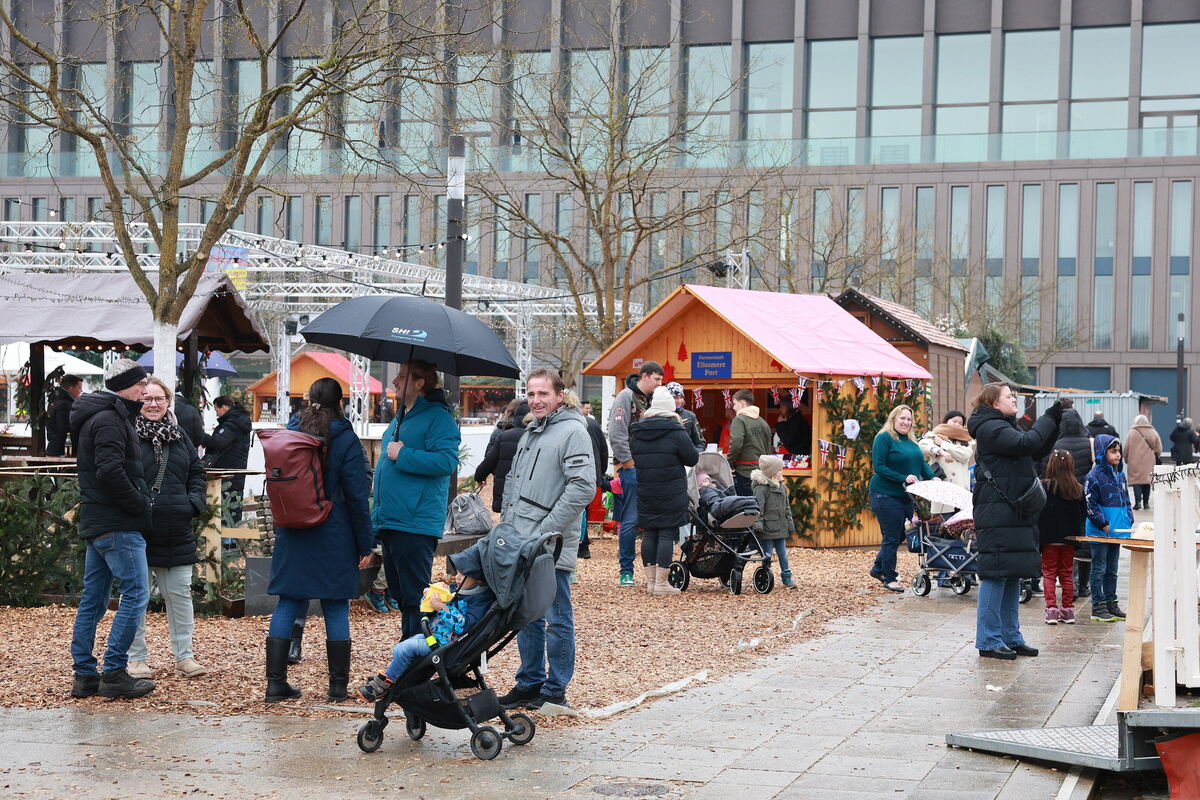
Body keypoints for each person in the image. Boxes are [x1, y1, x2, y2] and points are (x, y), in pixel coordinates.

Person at [265, 378, 374, 702]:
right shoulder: (346, 439)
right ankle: (337, 687)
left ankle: (275, 683)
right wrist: (365, 543)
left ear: (309, 398)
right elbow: (357, 496)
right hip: (334, 531)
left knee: (288, 602)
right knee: (336, 606)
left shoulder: (292, 432)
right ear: (341, 403)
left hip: (294, 529)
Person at [495, 369, 595, 711]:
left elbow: (583, 486)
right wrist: (507, 528)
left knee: (556, 616)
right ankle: (529, 683)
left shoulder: (572, 431)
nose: (535, 400)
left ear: (560, 395)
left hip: (549, 545)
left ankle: (555, 690)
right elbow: (513, 483)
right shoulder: (530, 432)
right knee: (527, 615)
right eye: (531, 393)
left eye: (543, 394)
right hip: (522, 541)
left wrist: (546, 530)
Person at [68, 357, 155, 700]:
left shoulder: (104, 414)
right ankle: (115, 672)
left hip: (100, 521)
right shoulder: (109, 419)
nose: (145, 391)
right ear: (124, 388)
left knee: (94, 599)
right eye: (140, 385)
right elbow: (110, 471)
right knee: (135, 593)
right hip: (117, 522)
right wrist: (140, 505)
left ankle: (85, 675)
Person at [969, 383, 1065, 660]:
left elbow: (1034, 451)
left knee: (1011, 574)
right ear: (994, 402)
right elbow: (1028, 443)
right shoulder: (990, 427)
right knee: (995, 575)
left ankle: (1011, 636)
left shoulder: (1003, 425)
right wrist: (1048, 417)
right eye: (1009, 396)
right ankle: (988, 640)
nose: (1014, 400)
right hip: (997, 511)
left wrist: (1054, 421)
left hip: (1011, 510)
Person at [126, 377, 208, 680]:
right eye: (146, 399)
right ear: (138, 401)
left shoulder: (180, 436)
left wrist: (193, 503)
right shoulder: (128, 435)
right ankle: (136, 659)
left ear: (168, 401)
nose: (153, 404)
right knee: (136, 597)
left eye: (159, 399)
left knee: (180, 596)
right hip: (139, 530)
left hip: (177, 529)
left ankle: (184, 656)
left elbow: (197, 473)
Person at [373, 359, 461, 640]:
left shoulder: (438, 417)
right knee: (401, 595)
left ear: (420, 383)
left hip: (414, 522)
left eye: (401, 376)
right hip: (392, 520)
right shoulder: (403, 416)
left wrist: (404, 454)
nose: (394, 382)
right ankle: (409, 653)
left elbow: (446, 461)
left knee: (414, 596)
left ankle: (417, 656)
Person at [357, 575, 495, 701]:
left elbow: (464, 626)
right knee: (403, 648)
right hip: (433, 638)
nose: (457, 577)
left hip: (446, 645)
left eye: (462, 574)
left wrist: (442, 608)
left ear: (477, 579)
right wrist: (428, 598)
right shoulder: (459, 590)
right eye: (457, 572)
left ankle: (385, 683)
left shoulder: (478, 601)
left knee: (405, 649)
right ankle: (400, 679)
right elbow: (427, 609)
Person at [630, 386, 699, 594]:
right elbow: (692, 458)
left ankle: (651, 583)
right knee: (666, 533)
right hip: (670, 489)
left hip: (646, 487)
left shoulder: (638, 431)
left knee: (649, 532)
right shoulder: (675, 430)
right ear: (670, 409)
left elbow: (635, 456)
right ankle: (661, 584)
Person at [607, 361, 663, 587]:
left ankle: (653, 570)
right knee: (630, 519)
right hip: (633, 468)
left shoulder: (653, 400)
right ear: (645, 376)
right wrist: (629, 464)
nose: (660, 383)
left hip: (652, 468)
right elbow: (616, 433)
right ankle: (626, 571)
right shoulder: (626, 397)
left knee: (652, 520)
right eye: (657, 379)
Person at [868, 404, 934, 593]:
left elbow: (921, 464)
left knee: (900, 535)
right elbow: (879, 467)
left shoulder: (912, 443)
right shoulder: (884, 438)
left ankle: (878, 568)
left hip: (905, 495)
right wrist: (902, 478)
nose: (906, 422)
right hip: (884, 493)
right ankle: (889, 578)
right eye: (902, 418)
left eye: (908, 419)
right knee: (891, 536)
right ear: (893, 420)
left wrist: (933, 477)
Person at [1038, 408, 1095, 600]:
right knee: (1071, 563)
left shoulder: (1054, 446)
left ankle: (1052, 608)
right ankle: (1081, 587)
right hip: (1074, 500)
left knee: (1050, 570)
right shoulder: (1089, 444)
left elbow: (1042, 470)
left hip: (1052, 523)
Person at [1085, 435, 1134, 624]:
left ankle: (1111, 602)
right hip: (1100, 531)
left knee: (1112, 569)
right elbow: (1091, 504)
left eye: (1119, 451)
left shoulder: (1119, 474)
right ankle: (1098, 606)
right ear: (1101, 453)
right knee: (1099, 568)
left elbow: (1126, 499)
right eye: (1113, 451)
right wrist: (1103, 523)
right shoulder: (1093, 476)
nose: (1118, 455)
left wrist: (1128, 519)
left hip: (1116, 531)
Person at [1038, 450, 1087, 625]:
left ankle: (1051, 610)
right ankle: (1067, 610)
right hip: (1069, 538)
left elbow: (1038, 513)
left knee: (1049, 573)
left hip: (1049, 537)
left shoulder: (1044, 486)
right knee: (1066, 573)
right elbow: (1083, 514)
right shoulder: (1077, 488)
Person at [201, 395, 253, 524]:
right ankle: (231, 541)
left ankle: (228, 542)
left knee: (227, 507)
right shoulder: (237, 421)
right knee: (232, 507)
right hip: (234, 471)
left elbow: (218, 442)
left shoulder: (233, 422)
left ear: (223, 407)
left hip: (227, 472)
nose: (217, 414)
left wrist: (200, 436)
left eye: (216, 410)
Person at [474, 400, 530, 513]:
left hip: (505, 493)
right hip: (529, 497)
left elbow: (488, 461)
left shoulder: (504, 435)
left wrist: (480, 477)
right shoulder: (538, 437)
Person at [752, 454, 798, 588]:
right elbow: (758, 508)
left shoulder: (781, 487)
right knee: (767, 555)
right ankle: (765, 576)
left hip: (780, 527)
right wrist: (758, 525)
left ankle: (786, 576)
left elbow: (787, 507)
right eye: (779, 469)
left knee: (783, 554)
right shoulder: (761, 488)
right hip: (767, 527)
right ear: (772, 472)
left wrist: (790, 524)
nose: (782, 472)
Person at [918, 410, 974, 515]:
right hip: (943, 491)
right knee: (944, 526)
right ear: (946, 422)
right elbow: (922, 446)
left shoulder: (966, 439)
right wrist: (939, 450)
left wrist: (943, 444)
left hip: (961, 491)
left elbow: (965, 455)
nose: (957, 424)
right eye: (954, 421)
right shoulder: (935, 436)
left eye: (960, 423)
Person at [578, 396, 609, 561]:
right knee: (584, 508)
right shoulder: (592, 424)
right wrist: (601, 472)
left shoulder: (568, 425)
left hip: (578, 472)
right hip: (592, 472)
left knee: (579, 509)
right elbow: (603, 449)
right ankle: (583, 543)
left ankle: (581, 543)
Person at [727, 389, 772, 496]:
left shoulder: (739, 420)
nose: (733, 407)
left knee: (746, 508)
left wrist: (728, 463)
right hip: (762, 472)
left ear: (742, 403)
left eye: (735, 403)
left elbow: (736, 443)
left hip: (744, 473)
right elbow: (768, 445)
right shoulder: (762, 421)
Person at [1124, 414, 1161, 511]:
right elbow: (1158, 448)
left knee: (1137, 481)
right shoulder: (1153, 432)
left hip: (1134, 460)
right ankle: (1146, 502)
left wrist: (1126, 458)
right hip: (1149, 461)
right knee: (1147, 481)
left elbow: (1126, 448)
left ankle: (1137, 502)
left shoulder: (1132, 432)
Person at [46, 374, 83, 456]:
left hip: (55, 447)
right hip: (63, 450)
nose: (81, 391)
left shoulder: (55, 400)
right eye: (79, 388)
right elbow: (65, 428)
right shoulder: (65, 404)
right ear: (71, 388)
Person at [665, 381, 705, 452]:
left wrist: (693, 454)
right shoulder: (662, 415)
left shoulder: (690, 416)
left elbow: (700, 443)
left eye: (681, 397)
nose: (679, 401)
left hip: (687, 459)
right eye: (675, 398)